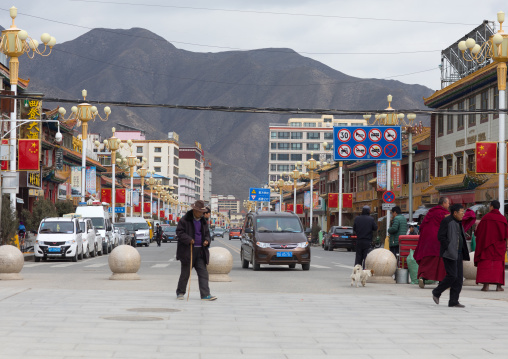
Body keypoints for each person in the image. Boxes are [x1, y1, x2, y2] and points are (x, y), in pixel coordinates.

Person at [175, 200, 216, 301]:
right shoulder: (184, 220)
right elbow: (179, 232)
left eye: (203, 212)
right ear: (194, 210)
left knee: (203, 273)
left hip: (201, 251)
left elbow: (207, 233)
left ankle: (205, 294)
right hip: (188, 251)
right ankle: (180, 292)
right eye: (200, 211)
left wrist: (207, 240)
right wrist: (189, 239)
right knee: (185, 273)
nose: (201, 213)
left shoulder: (203, 221)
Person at [432, 204, 470, 308]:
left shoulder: (459, 222)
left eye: (463, 212)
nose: (463, 214)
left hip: (459, 253)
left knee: (458, 278)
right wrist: (448, 247)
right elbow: (441, 236)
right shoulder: (447, 221)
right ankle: (437, 291)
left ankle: (453, 301)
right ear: (455, 213)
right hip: (449, 253)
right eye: (461, 212)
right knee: (452, 275)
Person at [414, 197, 450, 288]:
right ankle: (442, 281)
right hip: (438, 240)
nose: (449, 205)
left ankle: (422, 276)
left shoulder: (430, 212)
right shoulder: (445, 213)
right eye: (448, 203)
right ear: (444, 203)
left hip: (427, 240)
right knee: (440, 259)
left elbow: (422, 226)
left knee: (427, 259)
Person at [474, 200, 508, 292]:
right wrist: (506, 246)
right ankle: (498, 286)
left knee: (486, 264)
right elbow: (506, 235)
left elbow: (479, 232)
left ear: (492, 207)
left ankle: (486, 286)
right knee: (498, 266)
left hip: (486, 246)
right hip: (499, 246)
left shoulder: (486, 218)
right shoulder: (503, 219)